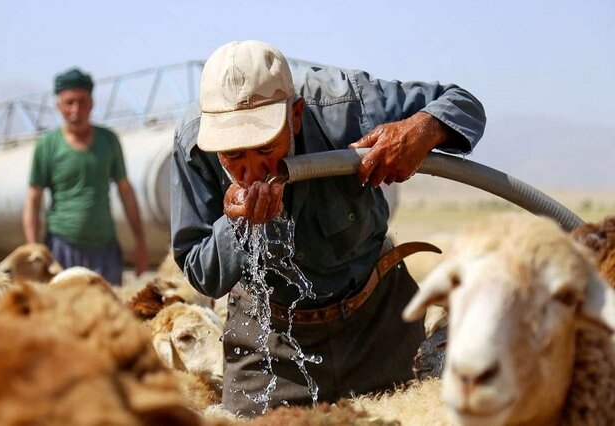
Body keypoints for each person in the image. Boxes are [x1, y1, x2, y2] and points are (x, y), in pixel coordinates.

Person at [171, 40, 486, 416]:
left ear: (297, 114)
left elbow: (463, 103)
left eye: (265, 147)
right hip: (270, 341)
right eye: (233, 156)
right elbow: (199, 269)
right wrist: (236, 230)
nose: (252, 172)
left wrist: (423, 130)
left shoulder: (347, 105)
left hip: (379, 325)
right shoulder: (194, 143)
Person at [23, 67, 148, 285]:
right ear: (58, 105)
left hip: (104, 248)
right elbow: (33, 199)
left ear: (91, 103)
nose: (76, 109)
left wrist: (140, 243)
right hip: (62, 247)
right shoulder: (48, 145)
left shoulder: (108, 141)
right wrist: (34, 249)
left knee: (106, 312)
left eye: (82, 102)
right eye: (69, 102)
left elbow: (126, 191)